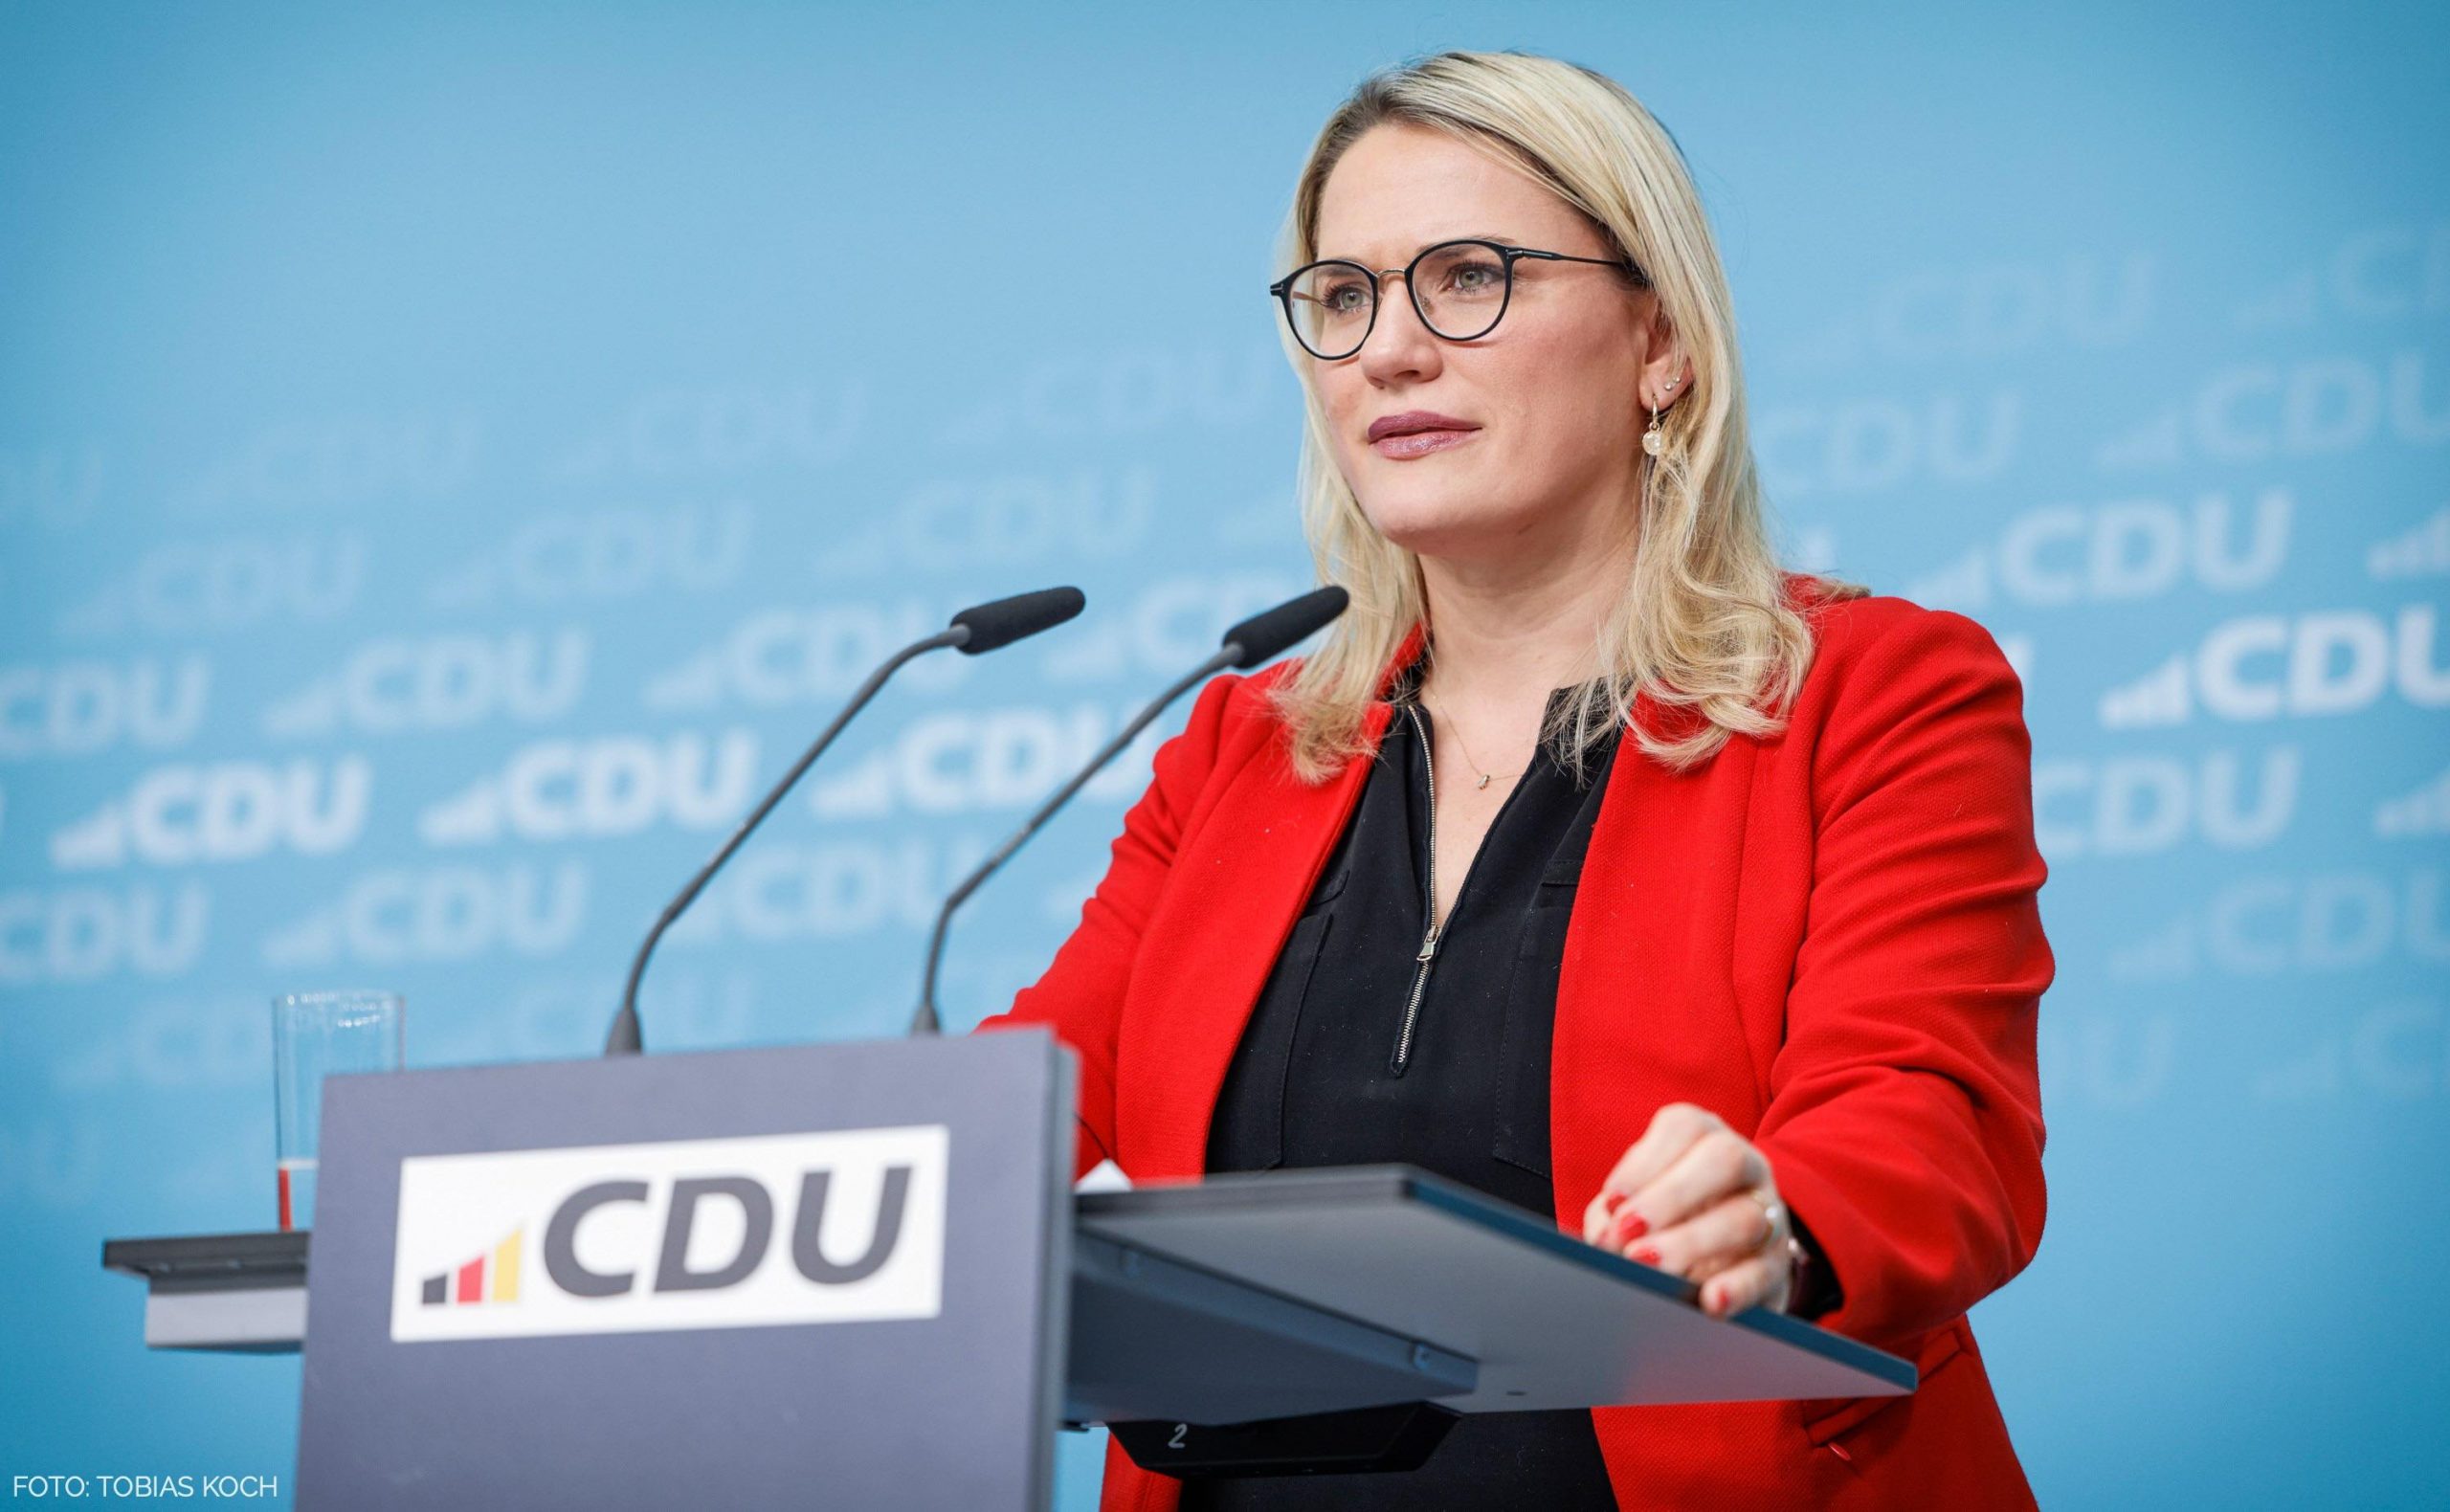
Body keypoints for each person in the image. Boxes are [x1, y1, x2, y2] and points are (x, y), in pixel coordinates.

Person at [973, 48, 2051, 1511]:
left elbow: (1928, 1109)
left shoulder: (1872, 693)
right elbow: (1019, 1122)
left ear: (1660, 341)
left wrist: (1781, 1217)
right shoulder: (1242, 746)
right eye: (1343, 297)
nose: (1389, 352)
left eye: (1467, 277)